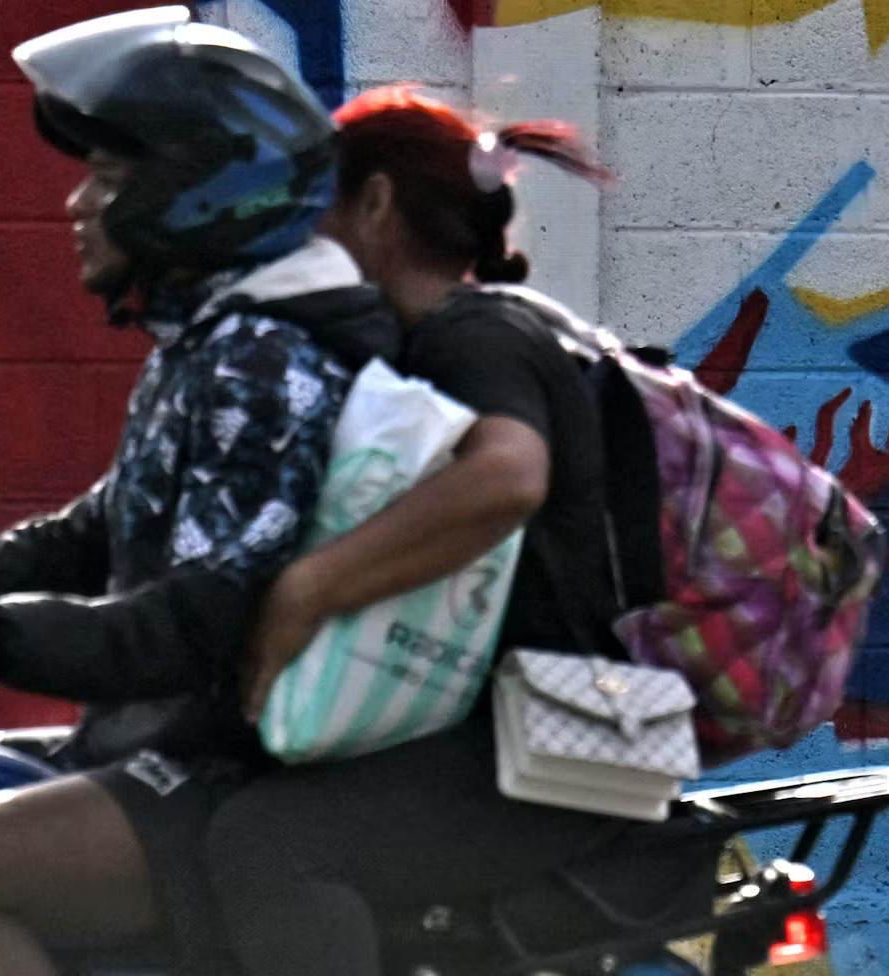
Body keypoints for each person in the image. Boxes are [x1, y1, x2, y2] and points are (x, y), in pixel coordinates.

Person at [0, 6, 397, 975]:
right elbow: (93, 532)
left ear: (196, 192)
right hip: (161, 743)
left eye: (108, 178)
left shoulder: (266, 358)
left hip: (228, 769)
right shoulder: (210, 339)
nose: (75, 204)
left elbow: (195, 622)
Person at [189, 85, 680, 974]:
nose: (301, 242)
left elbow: (508, 475)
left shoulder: (471, 331)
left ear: (374, 204)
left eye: (315, 213)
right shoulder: (509, 328)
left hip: (560, 743)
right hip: (564, 727)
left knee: (267, 846)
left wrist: (310, 589)